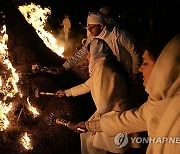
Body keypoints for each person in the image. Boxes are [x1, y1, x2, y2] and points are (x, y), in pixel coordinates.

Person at [83, 33, 180, 154]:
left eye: (145, 63)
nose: (140, 69)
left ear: (164, 67)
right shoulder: (157, 103)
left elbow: (105, 104)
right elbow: (132, 118)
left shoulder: (176, 121)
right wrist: (90, 126)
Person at [55, 38, 140, 154]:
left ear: (96, 52)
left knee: (94, 145)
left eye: (89, 54)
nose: (87, 58)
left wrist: (94, 126)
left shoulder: (103, 69)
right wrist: (66, 92)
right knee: (90, 141)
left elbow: (104, 104)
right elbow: (87, 85)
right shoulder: (105, 65)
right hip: (113, 112)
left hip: (114, 115)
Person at [36, 12, 139, 79]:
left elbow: (134, 52)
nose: (89, 31)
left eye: (92, 28)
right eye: (88, 28)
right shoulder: (92, 37)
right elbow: (81, 53)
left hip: (123, 73)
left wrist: (134, 72)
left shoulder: (119, 35)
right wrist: (63, 67)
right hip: (105, 75)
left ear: (101, 26)